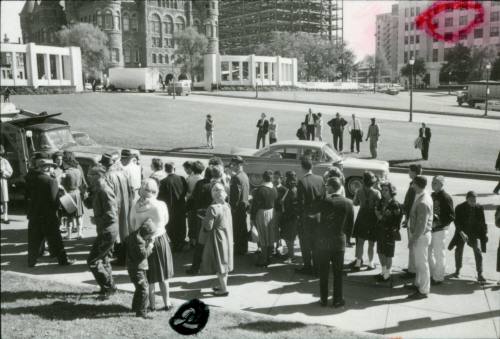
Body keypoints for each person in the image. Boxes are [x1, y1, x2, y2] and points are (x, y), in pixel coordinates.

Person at [130, 179, 174, 310]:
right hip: (160, 239)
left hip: (143, 242)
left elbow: (132, 225)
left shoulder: (135, 205)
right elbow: (165, 221)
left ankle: (152, 305)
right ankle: (167, 303)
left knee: (148, 275)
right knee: (163, 274)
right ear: (156, 190)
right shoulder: (160, 204)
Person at [26, 159, 73, 267]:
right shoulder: (51, 181)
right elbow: (54, 201)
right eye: (51, 166)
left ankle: (31, 261)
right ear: (47, 167)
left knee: (34, 239)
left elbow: (27, 196)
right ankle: (63, 260)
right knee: (56, 238)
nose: (52, 168)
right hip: (48, 215)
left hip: (34, 214)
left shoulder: (30, 179)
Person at [317, 177, 353, 308]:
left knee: (324, 272)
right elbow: (350, 224)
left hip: (324, 242)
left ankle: (323, 299)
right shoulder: (348, 203)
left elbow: (316, 218)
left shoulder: (325, 201)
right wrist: (347, 239)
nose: (326, 187)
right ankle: (337, 300)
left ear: (332, 187)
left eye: (327, 186)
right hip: (339, 242)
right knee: (338, 273)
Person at [86, 165, 118, 300]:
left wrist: (96, 220)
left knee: (93, 261)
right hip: (105, 230)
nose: (89, 178)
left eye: (91, 176)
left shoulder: (105, 190)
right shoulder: (98, 189)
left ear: (99, 176)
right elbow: (90, 204)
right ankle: (108, 288)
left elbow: (111, 215)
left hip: (108, 230)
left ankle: (108, 287)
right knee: (104, 260)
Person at [201, 182, 234, 296]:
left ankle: (224, 289)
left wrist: (203, 219)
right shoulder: (227, 206)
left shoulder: (212, 208)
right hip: (227, 236)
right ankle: (222, 285)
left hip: (216, 237)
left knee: (218, 263)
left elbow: (208, 226)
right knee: (224, 262)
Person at [448, 191, 487, 284]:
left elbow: (483, 222)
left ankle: (480, 273)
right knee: (459, 250)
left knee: (477, 251)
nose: (473, 201)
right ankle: (457, 270)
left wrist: (484, 234)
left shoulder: (479, 208)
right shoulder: (459, 207)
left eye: (475, 200)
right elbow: (456, 222)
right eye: (471, 200)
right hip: (462, 232)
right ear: (467, 199)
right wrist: (462, 233)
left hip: (474, 233)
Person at [296, 156, 325, 275]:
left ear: (302, 168)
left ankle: (308, 266)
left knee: (306, 244)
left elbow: (301, 203)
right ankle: (317, 267)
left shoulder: (302, 182)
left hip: (306, 218)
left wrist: (299, 216)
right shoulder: (320, 179)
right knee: (317, 243)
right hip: (318, 216)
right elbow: (323, 198)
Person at [407, 175, 433, 300]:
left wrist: (412, 239)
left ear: (417, 184)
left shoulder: (423, 202)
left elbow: (421, 225)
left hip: (420, 236)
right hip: (420, 236)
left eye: (413, 183)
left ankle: (424, 290)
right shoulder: (423, 195)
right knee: (419, 263)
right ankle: (418, 284)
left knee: (422, 264)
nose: (412, 185)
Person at [186, 167, 215, 275]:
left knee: (200, 243)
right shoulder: (214, 185)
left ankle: (196, 267)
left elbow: (193, 197)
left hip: (200, 215)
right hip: (211, 215)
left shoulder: (199, 183)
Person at [350, 171, 381, 271]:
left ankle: (358, 262)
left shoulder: (359, 191)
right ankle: (371, 263)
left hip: (362, 215)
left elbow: (355, 203)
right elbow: (379, 205)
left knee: (360, 241)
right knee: (371, 242)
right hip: (372, 217)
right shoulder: (376, 192)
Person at [126, 219, 156, 319]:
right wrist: (150, 246)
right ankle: (142, 312)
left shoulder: (135, 235)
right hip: (137, 268)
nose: (150, 237)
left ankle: (135, 307)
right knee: (144, 289)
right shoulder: (139, 240)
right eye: (150, 235)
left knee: (139, 288)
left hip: (135, 267)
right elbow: (143, 254)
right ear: (146, 233)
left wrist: (146, 242)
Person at [374, 182, 403, 282]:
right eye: (382, 190)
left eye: (386, 190)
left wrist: (381, 216)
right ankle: (383, 271)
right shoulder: (381, 201)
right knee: (380, 251)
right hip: (380, 230)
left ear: (391, 191)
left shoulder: (395, 204)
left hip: (389, 232)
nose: (383, 192)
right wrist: (380, 216)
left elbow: (395, 219)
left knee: (388, 254)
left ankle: (387, 274)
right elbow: (377, 211)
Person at [429, 176, 454, 285]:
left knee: (439, 254)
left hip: (440, 230)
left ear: (441, 184)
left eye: (435, 183)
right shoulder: (432, 195)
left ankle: (438, 277)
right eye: (432, 182)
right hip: (430, 228)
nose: (432, 184)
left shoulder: (446, 197)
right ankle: (433, 273)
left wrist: (438, 223)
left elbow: (451, 216)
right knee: (429, 252)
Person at [158, 162, 188, 252]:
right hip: (180, 206)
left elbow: (160, 197)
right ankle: (180, 243)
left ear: (165, 170)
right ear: (174, 169)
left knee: (171, 227)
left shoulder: (163, 182)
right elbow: (185, 191)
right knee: (181, 225)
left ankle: (173, 244)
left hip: (169, 208)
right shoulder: (181, 179)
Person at [251, 170, 278, 267]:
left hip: (262, 213)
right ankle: (269, 257)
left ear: (263, 178)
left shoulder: (260, 190)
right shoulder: (274, 189)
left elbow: (255, 206)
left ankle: (263, 259)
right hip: (271, 212)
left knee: (262, 236)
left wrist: (252, 217)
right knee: (270, 235)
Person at [402, 164, 422, 279]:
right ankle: (411, 267)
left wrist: (407, 217)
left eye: (409, 171)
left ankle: (412, 270)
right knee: (412, 246)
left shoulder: (414, 186)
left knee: (412, 245)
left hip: (412, 219)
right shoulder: (415, 184)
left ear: (414, 172)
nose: (408, 173)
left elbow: (410, 203)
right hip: (410, 218)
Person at [61, 153, 87, 240]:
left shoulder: (65, 173)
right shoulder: (78, 171)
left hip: (68, 195)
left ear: (66, 162)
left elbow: (62, 186)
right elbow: (80, 184)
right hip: (77, 193)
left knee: (69, 216)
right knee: (78, 215)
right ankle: (80, 234)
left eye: (63, 162)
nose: (62, 164)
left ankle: (69, 235)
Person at [229, 155, 250, 256]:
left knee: (237, 229)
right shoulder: (245, 175)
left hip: (238, 208)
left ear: (238, 165)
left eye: (233, 165)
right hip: (244, 205)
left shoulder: (236, 177)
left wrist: (232, 208)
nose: (231, 166)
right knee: (243, 227)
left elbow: (235, 195)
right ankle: (243, 248)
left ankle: (239, 249)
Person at [282, 171, 299, 263]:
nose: (284, 179)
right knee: (289, 238)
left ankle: (292, 257)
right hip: (290, 218)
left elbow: (292, 207)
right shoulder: (292, 189)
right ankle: (290, 254)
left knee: (289, 239)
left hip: (290, 218)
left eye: (286, 178)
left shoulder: (292, 191)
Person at [185, 161, 204, 247]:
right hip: (199, 203)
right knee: (198, 222)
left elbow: (187, 192)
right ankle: (197, 240)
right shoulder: (202, 179)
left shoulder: (189, 178)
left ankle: (192, 240)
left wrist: (189, 195)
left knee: (191, 221)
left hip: (191, 202)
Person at [272, 170, 287, 256]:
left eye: (277, 178)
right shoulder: (272, 188)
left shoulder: (284, 189)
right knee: (274, 230)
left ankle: (278, 247)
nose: (275, 179)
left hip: (280, 212)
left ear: (281, 179)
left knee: (277, 230)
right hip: (272, 211)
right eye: (274, 178)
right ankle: (276, 246)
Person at [0, 145, 13, 224]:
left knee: (4, 200)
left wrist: (3, 172)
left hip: (2, 181)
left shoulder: (4, 161)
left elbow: (10, 171)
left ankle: (5, 217)